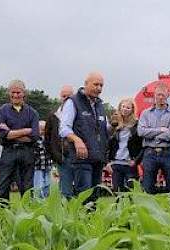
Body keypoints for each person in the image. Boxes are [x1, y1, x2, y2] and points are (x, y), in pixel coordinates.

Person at [59, 72, 110, 200]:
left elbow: (103, 130)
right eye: (96, 84)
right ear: (86, 84)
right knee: (84, 194)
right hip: (82, 157)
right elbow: (63, 128)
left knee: (95, 196)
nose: (99, 88)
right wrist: (76, 140)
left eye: (101, 85)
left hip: (98, 157)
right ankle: (81, 219)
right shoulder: (73, 102)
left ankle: (91, 220)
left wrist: (114, 127)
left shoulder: (100, 105)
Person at [0, 79, 41, 202]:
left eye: (18, 92)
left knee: (27, 187)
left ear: (24, 93)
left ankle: (26, 214)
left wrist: (12, 133)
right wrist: (27, 130)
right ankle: (3, 213)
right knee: (2, 186)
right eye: (13, 92)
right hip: (8, 152)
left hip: (27, 153)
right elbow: (3, 135)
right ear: (9, 93)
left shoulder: (33, 113)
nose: (15, 95)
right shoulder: (2, 111)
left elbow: (35, 136)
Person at [138, 82, 170, 194]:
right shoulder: (145, 113)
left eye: (163, 95)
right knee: (147, 187)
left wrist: (152, 135)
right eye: (158, 95)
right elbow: (141, 132)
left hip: (168, 153)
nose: (160, 97)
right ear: (154, 96)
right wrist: (161, 130)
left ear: (168, 96)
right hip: (149, 154)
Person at [106, 98, 141, 192]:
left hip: (130, 164)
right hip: (116, 163)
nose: (125, 109)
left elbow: (141, 145)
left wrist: (136, 160)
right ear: (120, 108)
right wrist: (108, 162)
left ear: (132, 110)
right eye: (123, 107)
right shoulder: (114, 124)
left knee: (131, 192)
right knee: (117, 192)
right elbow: (108, 144)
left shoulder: (137, 125)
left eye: (128, 108)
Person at [46, 85, 74, 197]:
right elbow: (47, 138)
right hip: (62, 158)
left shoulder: (78, 115)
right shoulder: (53, 116)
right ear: (60, 97)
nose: (66, 99)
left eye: (69, 97)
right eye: (64, 96)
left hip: (78, 157)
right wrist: (55, 156)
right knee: (65, 190)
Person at [33, 120, 52, 198]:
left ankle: (46, 197)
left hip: (47, 165)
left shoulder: (47, 140)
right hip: (38, 166)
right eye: (41, 129)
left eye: (44, 129)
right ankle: (38, 199)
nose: (42, 131)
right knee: (38, 184)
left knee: (47, 183)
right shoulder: (34, 140)